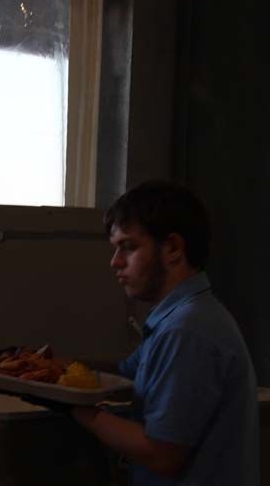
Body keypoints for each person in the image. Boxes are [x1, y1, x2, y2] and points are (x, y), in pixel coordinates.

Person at [69, 180, 259, 485]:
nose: (115, 262)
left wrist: (73, 406)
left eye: (128, 247)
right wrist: (55, 371)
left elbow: (161, 454)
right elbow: (123, 376)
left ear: (172, 248)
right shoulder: (176, 319)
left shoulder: (188, 329)